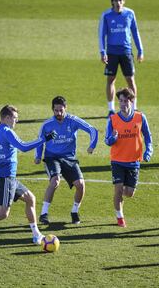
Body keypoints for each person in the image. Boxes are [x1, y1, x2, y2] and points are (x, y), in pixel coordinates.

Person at [0, 105, 57, 250]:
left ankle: (36, 234)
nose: (16, 121)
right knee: (2, 213)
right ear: (6, 118)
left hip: (8, 177)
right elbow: (23, 147)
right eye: (14, 118)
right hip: (6, 177)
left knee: (31, 199)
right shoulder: (7, 132)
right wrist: (43, 139)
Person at [35, 96, 98, 225]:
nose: (59, 113)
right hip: (52, 157)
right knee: (55, 181)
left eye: (61, 110)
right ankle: (43, 214)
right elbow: (39, 141)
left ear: (66, 108)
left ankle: (74, 211)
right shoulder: (47, 125)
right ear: (52, 109)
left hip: (69, 158)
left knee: (80, 185)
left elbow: (92, 130)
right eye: (56, 110)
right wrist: (37, 155)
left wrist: (92, 145)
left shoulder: (73, 121)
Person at [105, 88, 153, 227]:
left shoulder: (140, 117)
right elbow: (107, 141)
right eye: (120, 101)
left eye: (126, 101)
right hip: (117, 161)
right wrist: (112, 138)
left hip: (133, 161)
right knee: (118, 190)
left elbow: (148, 137)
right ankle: (120, 218)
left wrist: (148, 151)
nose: (123, 104)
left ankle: (120, 200)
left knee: (129, 193)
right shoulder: (113, 119)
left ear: (131, 101)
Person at [98, 0, 144, 116]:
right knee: (111, 80)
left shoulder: (130, 13)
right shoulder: (106, 15)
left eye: (120, 0)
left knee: (130, 80)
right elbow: (101, 35)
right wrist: (102, 52)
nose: (118, 3)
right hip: (111, 53)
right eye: (116, 1)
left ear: (124, 1)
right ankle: (111, 109)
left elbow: (135, 32)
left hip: (126, 52)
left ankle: (134, 108)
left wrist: (140, 50)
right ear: (112, 2)